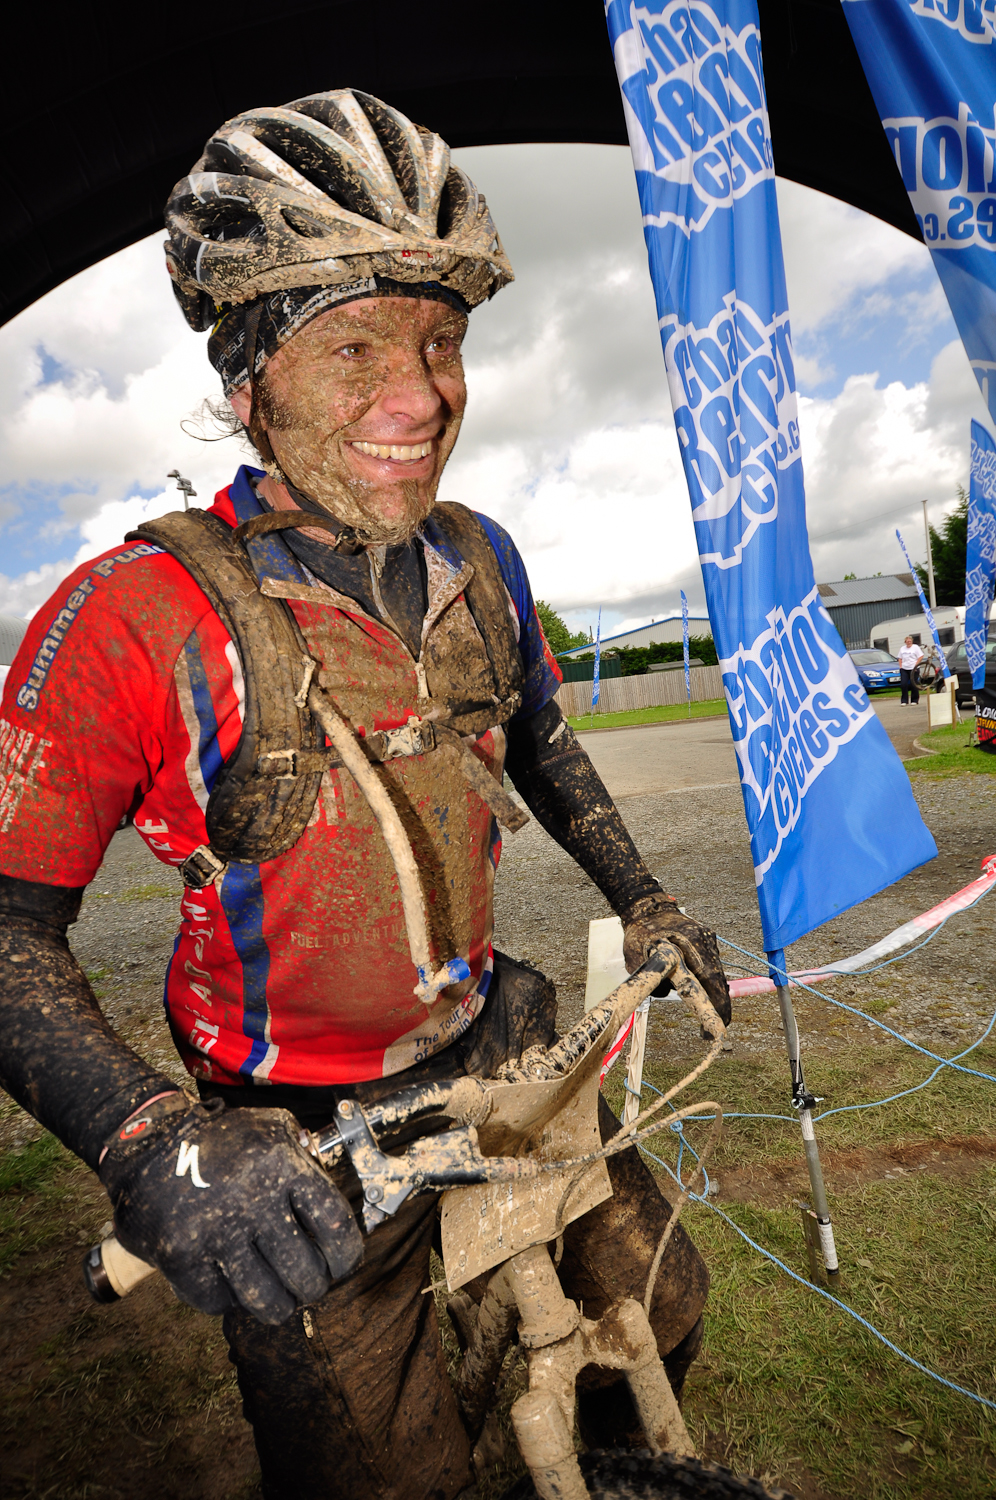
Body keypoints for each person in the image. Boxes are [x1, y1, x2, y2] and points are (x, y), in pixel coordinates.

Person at [0, 91, 731, 1500]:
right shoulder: (129, 616)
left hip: (503, 1050)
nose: (421, 397)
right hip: (297, 1133)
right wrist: (157, 1146)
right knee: (378, 1476)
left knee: (662, 1311)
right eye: (353, 348)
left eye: (442, 343)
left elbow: (544, 743)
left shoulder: (486, 556)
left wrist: (643, 900)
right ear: (246, 381)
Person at [897, 635, 924, 705]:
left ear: (912, 641)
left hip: (913, 668)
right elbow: (899, 658)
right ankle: (904, 701)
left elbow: (921, 656)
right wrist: (901, 666)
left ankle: (914, 700)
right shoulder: (902, 648)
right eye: (907, 641)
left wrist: (916, 665)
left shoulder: (915, 647)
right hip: (904, 668)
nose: (909, 642)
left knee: (913, 684)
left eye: (910, 641)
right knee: (903, 684)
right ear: (905, 642)